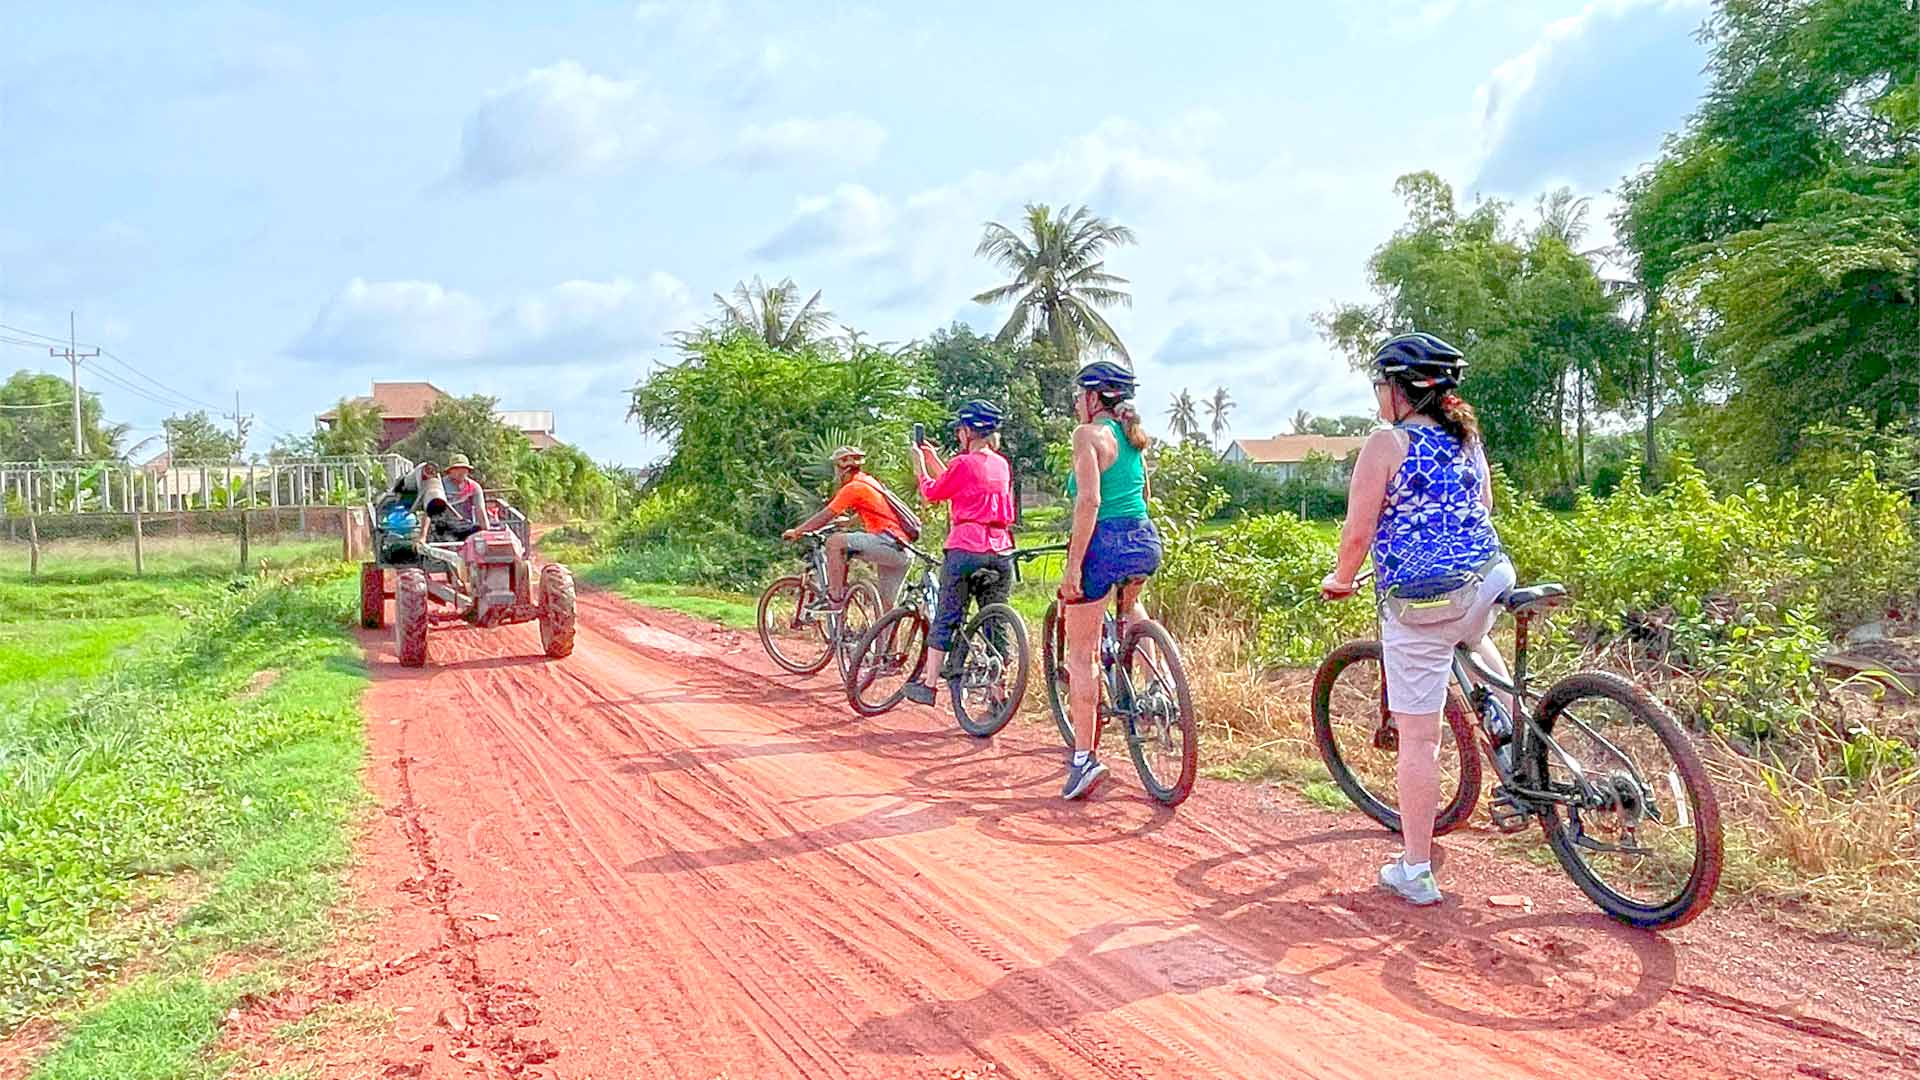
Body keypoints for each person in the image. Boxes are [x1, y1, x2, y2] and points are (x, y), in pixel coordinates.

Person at [1319, 331, 1517, 908]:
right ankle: (1510, 730)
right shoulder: (1466, 437)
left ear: (1402, 391)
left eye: (1380, 384)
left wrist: (1340, 577)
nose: (1377, 395)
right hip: (1489, 578)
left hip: (1423, 602)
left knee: (1420, 739)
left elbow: (1357, 532)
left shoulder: (1386, 443)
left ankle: (1415, 869)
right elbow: (1482, 507)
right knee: (1474, 634)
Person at [1059, 360, 1161, 800]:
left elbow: (1089, 501)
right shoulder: (1134, 438)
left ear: (1093, 398)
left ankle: (1084, 759)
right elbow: (1143, 495)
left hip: (1105, 540)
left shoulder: (1088, 435)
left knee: (1080, 655)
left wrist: (1073, 565)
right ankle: (1158, 683)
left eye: (1080, 395)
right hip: (1144, 538)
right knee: (1130, 605)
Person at [901, 401, 1016, 706]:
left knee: (948, 615)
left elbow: (934, 492)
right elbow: (962, 485)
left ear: (968, 431)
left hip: (966, 547)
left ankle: (929, 685)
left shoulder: (964, 463)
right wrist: (934, 458)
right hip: (1001, 549)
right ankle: (998, 691)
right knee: (995, 621)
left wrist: (919, 465)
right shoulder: (1001, 464)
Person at [782, 445, 911, 610]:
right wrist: (849, 522)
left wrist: (797, 532)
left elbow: (826, 515)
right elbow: (878, 509)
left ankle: (834, 598)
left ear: (839, 468)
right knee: (887, 609)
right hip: (903, 550)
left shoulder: (852, 488)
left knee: (834, 542)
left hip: (886, 542)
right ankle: (887, 636)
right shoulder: (870, 482)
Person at [441, 453, 491, 530]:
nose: (460, 472)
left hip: (465, 526)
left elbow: (480, 510)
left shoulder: (474, 487)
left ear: (468, 471)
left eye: (464, 468)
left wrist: (487, 530)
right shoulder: (440, 486)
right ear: (450, 471)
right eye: (457, 469)